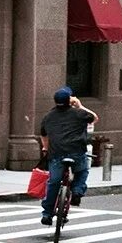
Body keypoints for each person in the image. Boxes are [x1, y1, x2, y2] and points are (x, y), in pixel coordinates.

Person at [38, 86, 97, 226]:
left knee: (53, 182)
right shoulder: (79, 113)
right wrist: (80, 105)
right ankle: (77, 191)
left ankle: (47, 214)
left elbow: (44, 135)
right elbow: (94, 118)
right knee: (82, 171)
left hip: (57, 154)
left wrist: (46, 148)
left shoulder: (48, 117)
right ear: (69, 100)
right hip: (77, 152)